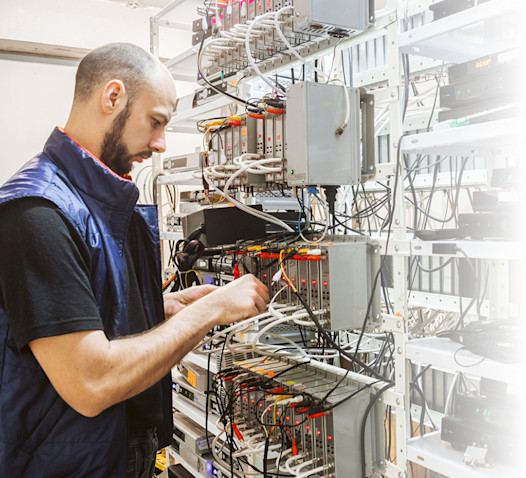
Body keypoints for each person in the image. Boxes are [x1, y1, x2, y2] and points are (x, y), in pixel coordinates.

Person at [0, 43, 269, 478]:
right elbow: (92, 382)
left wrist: (159, 311)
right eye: (156, 122)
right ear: (112, 97)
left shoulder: (105, 199)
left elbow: (72, 317)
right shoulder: (37, 214)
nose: (161, 144)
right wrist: (209, 312)